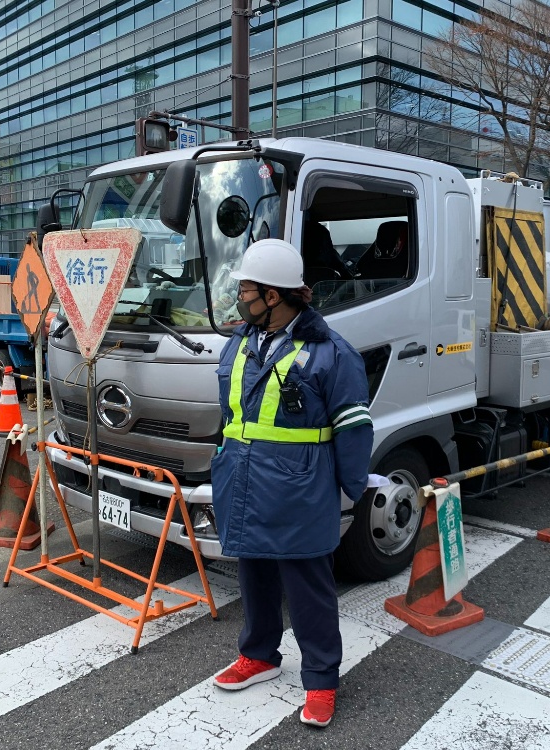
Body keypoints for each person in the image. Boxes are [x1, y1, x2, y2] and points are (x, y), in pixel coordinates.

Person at [210, 238, 374, 729]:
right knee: (254, 572)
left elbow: (354, 425)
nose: (239, 298)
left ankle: (321, 679)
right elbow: (232, 412)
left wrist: (350, 486)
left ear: (273, 295)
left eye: (246, 290)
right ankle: (259, 654)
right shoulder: (242, 341)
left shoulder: (331, 352)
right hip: (243, 478)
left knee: (308, 586)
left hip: (300, 487)